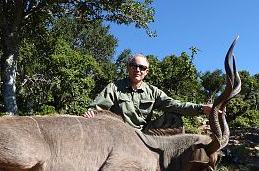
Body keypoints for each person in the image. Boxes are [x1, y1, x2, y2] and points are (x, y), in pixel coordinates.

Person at [83, 54, 212, 131]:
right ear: (128, 68)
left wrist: (201, 108)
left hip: (145, 135)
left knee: (173, 118)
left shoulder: (153, 92)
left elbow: (175, 105)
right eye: (134, 66)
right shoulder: (114, 87)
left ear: (146, 72)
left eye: (142, 67)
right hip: (120, 134)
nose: (137, 70)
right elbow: (96, 108)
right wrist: (91, 113)